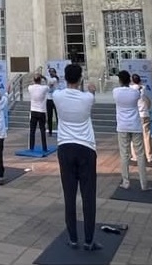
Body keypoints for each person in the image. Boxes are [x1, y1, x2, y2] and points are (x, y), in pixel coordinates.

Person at [52, 63, 102, 252]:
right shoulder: (87, 98)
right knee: (88, 195)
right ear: (80, 79)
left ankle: (73, 238)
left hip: (65, 147)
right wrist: (91, 90)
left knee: (69, 195)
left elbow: (55, 91)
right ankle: (89, 240)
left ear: (65, 78)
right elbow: (90, 97)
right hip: (86, 148)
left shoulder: (57, 96)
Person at [113, 71, 148, 191]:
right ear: (129, 80)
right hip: (135, 125)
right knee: (140, 154)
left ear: (120, 80)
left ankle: (126, 181)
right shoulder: (134, 93)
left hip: (122, 126)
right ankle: (144, 183)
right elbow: (139, 92)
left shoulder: (116, 92)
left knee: (124, 154)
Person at [130, 73, 152, 164]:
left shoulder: (131, 89)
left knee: (134, 137)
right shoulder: (143, 88)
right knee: (147, 136)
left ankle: (135, 156)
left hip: (135, 115)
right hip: (145, 114)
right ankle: (149, 156)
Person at [27, 73, 49, 151]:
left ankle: (31, 147)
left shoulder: (30, 88)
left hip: (33, 111)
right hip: (41, 111)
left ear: (34, 80)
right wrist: (44, 77)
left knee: (32, 130)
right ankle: (44, 147)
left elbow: (30, 83)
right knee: (42, 130)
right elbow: (47, 83)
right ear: (40, 80)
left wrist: (34, 78)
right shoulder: (44, 88)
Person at [46, 67, 61, 136]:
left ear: (55, 72)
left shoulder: (56, 79)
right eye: (50, 72)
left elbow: (51, 83)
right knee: (49, 116)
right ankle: (50, 131)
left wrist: (43, 77)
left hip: (55, 99)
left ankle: (60, 131)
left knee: (58, 116)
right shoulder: (49, 79)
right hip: (49, 99)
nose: (51, 73)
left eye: (52, 72)